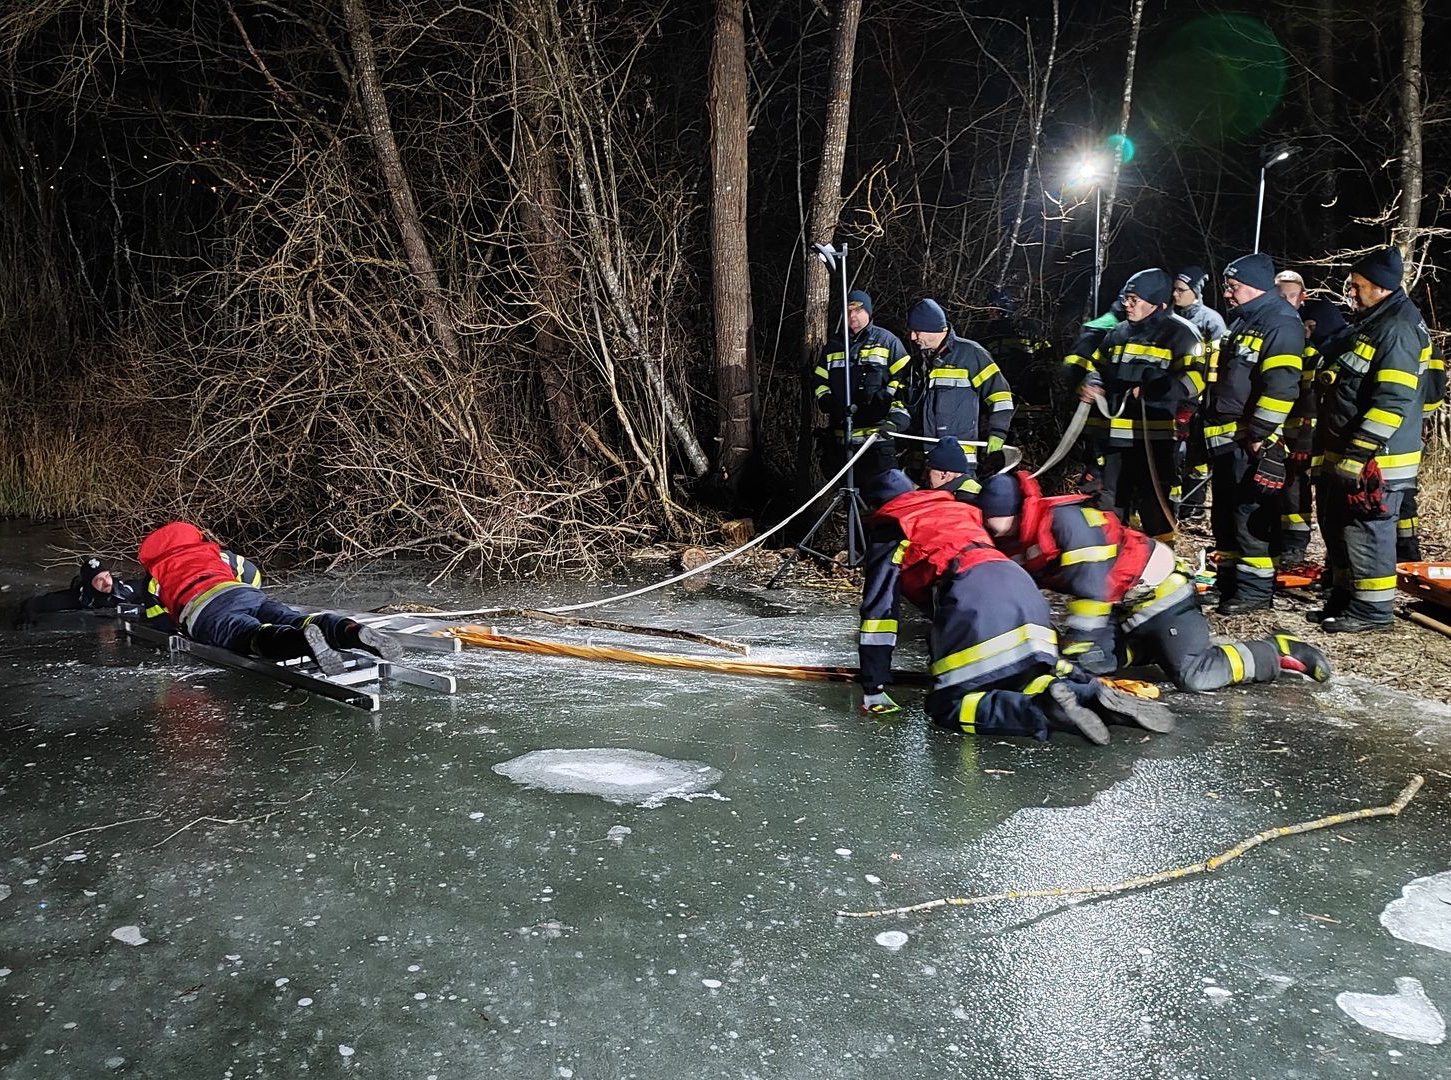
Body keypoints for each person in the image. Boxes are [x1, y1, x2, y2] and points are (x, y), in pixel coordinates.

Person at [855, 469, 1173, 745]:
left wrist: (874, 686)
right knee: (1023, 674)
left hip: (972, 593)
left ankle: (1039, 711)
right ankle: (1087, 695)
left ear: (878, 506)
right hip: (1018, 585)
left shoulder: (893, 527)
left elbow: (879, 615)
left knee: (948, 707)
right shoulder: (956, 512)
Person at [973, 470, 1332, 691]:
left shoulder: (1067, 523)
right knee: (1089, 665)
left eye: (997, 516)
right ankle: (1148, 647)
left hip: (1161, 596)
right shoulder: (1011, 536)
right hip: (1123, 608)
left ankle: (1276, 650)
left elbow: (1093, 588)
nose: (991, 523)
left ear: (1017, 510)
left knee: (1194, 675)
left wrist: (1078, 642)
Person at [1313, 246, 1431, 632]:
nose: (1351, 292)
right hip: (1353, 450)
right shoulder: (1374, 322)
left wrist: (1360, 452)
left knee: (1368, 532)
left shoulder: (1396, 329)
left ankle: (1372, 612)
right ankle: (1347, 600)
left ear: (1380, 287)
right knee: (1344, 530)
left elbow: (1392, 401)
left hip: (1378, 458)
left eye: (1357, 286)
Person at [138, 521, 401, 673]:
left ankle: (300, 642)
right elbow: (250, 572)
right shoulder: (214, 553)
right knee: (295, 618)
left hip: (207, 611)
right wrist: (249, 594)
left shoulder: (155, 575)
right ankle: (352, 632)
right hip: (245, 593)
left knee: (249, 635)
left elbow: (158, 619)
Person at [1068, 268, 1206, 541]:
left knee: (1154, 506)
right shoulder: (1118, 333)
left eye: (1134, 299)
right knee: (1111, 505)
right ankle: (1118, 562)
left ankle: (1164, 564)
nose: (1126, 305)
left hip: (1154, 439)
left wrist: (1158, 389)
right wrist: (1092, 383)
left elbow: (1196, 380)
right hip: (1116, 439)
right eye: (1126, 298)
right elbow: (1098, 367)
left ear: (1154, 301)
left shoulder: (1181, 334)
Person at [1208, 253, 1304, 615]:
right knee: (1226, 515)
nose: (1228, 295)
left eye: (1233, 288)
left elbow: (1282, 386)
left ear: (1254, 287)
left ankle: (1254, 592)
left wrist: (1261, 433)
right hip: (1227, 439)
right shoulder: (1246, 322)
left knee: (1250, 516)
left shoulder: (1280, 323)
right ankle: (1230, 583)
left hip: (1250, 441)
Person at [903, 298, 1015, 481]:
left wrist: (998, 431)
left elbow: (1000, 395)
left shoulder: (971, 354)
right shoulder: (919, 363)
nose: (913, 337)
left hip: (960, 462)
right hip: (926, 461)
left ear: (934, 329)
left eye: (917, 331)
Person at [1277, 298, 1352, 566]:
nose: (1304, 334)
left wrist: (1305, 441)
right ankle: (1298, 548)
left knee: (1316, 495)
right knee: (1295, 492)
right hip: (1303, 436)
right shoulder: (1314, 351)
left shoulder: (1330, 354)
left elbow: (1313, 399)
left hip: (1317, 439)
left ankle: (1327, 559)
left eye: (1307, 327)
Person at [811, 289, 912, 477]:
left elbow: (906, 381)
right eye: (848, 311)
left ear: (869, 312)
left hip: (877, 440)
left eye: (858, 310)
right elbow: (819, 378)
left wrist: (890, 408)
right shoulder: (834, 346)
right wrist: (826, 399)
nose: (852, 316)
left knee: (883, 497)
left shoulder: (887, 341)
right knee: (848, 497)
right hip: (843, 439)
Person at [1171, 267, 1228, 523]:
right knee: (1172, 457)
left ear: (1195, 292)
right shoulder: (1169, 317)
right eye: (1174, 289)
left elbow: (1214, 368)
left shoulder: (1211, 322)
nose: (1175, 294)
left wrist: (1195, 404)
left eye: (1181, 290)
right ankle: (1171, 507)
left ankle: (1192, 509)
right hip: (1171, 399)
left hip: (1199, 403)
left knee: (1196, 458)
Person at [14, 555, 145, 628]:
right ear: (89, 584)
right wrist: (27, 615)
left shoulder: (127, 591)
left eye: (107, 576)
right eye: (99, 580)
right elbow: (35, 603)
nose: (107, 582)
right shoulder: (78, 598)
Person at [974, 287, 1053, 395]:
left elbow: (1045, 352)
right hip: (1006, 384)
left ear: (1003, 308)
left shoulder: (1025, 326)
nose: (988, 311)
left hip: (1027, 383)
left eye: (992, 307)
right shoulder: (990, 329)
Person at [922, 435, 978, 500]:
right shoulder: (973, 492)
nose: (923, 476)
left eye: (928, 471)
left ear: (943, 474)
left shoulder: (967, 499)